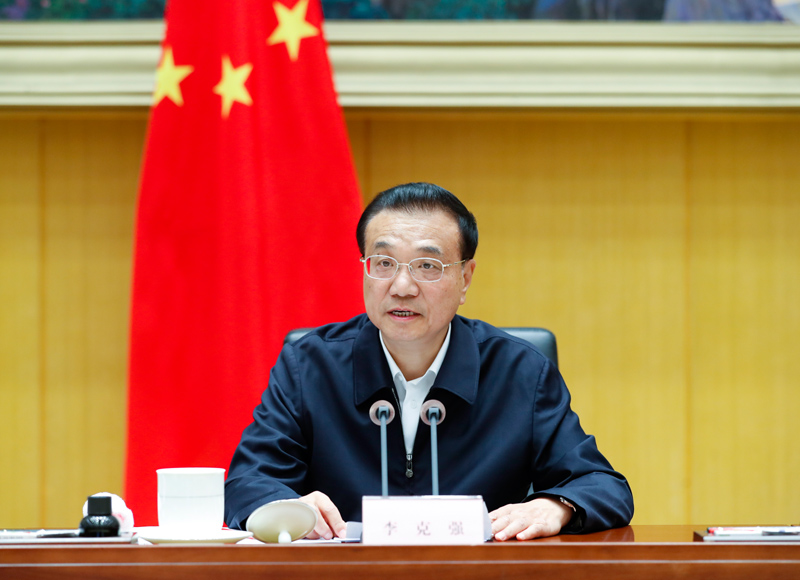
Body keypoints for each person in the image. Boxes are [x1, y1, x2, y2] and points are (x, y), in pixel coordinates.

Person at [225, 182, 633, 541]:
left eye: (427, 266)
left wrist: (555, 506)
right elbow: (247, 483)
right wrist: (288, 507)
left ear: (465, 278)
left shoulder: (519, 372)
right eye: (384, 263)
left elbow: (602, 485)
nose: (402, 286)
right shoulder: (310, 366)